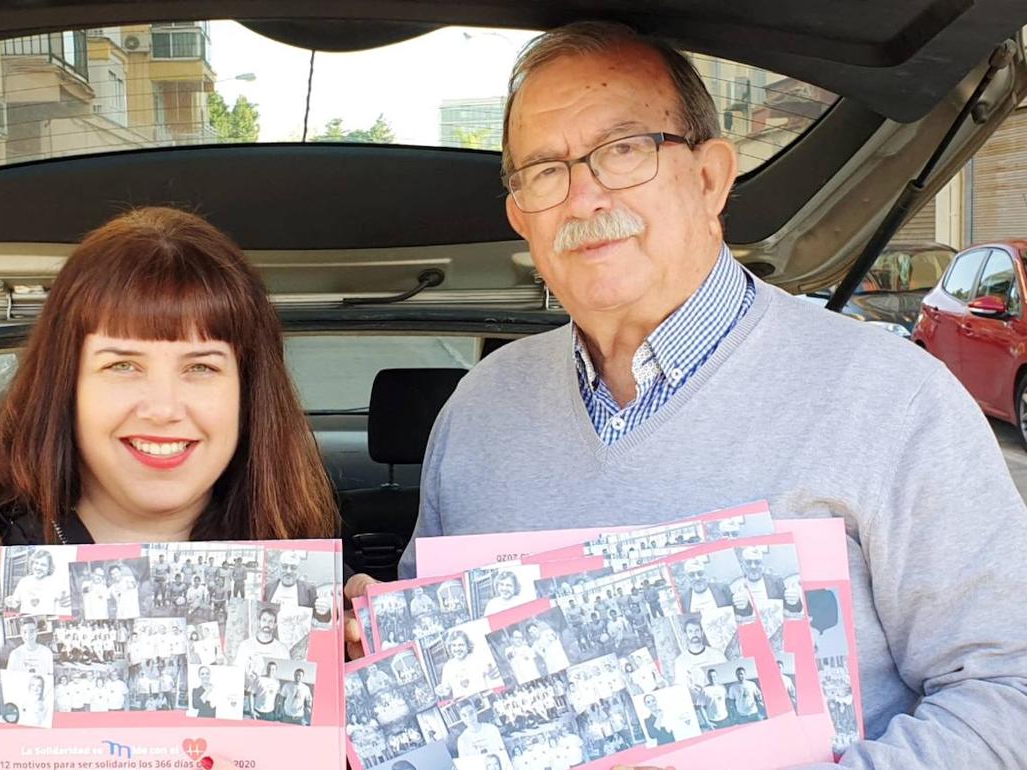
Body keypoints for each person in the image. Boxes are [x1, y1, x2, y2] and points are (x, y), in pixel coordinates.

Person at [342, 19, 1027, 766]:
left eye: (625, 150)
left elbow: (1008, 693)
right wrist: (369, 662)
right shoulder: (477, 412)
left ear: (710, 178)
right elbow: (436, 701)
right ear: (520, 218)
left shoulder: (893, 400)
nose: (583, 197)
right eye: (544, 171)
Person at [0, 207, 338, 770]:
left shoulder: (298, 588)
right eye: (122, 365)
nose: (166, 408)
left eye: (201, 367)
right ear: (65, 385)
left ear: (248, 391)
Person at [5, 548, 70, 616]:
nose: (38, 567)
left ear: (49, 568)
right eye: (36, 563)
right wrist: (10, 601)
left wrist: (65, 601)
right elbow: (15, 603)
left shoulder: (54, 582)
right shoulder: (24, 581)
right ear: (32, 564)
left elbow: (64, 601)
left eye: (43, 565)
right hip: (26, 618)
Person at [453, 700, 511, 769]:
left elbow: (503, 753)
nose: (469, 718)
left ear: (476, 711)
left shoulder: (492, 729)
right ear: (461, 718)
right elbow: (464, 766)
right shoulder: (462, 740)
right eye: (464, 715)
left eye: (471, 713)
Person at [670, 617, 725, 689]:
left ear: (702, 633)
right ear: (686, 635)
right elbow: (681, 687)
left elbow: (727, 678)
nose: (694, 634)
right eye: (690, 631)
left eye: (697, 630)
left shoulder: (717, 654)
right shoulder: (680, 661)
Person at [232, 606, 289, 676]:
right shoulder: (245, 645)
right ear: (259, 622)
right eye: (264, 620)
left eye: (270, 622)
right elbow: (237, 672)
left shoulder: (282, 648)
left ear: (275, 625)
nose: (267, 624)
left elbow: (286, 675)